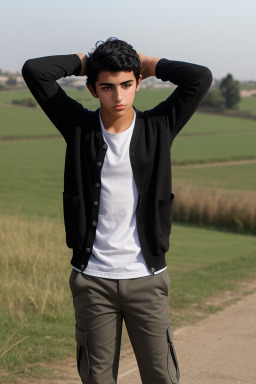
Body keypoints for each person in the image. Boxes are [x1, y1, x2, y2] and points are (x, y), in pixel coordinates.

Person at [22, 38, 212, 384]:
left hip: (147, 279)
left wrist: (150, 63)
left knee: (161, 377)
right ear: (93, 90)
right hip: (93, 280)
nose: (119, 97)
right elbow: (36, 71)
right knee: (97, 379)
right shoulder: (78, 127)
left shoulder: (159, 126)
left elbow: (199, 78)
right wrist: (85, 61)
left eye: (127, 84)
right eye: (107, 87)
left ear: (139, 82)